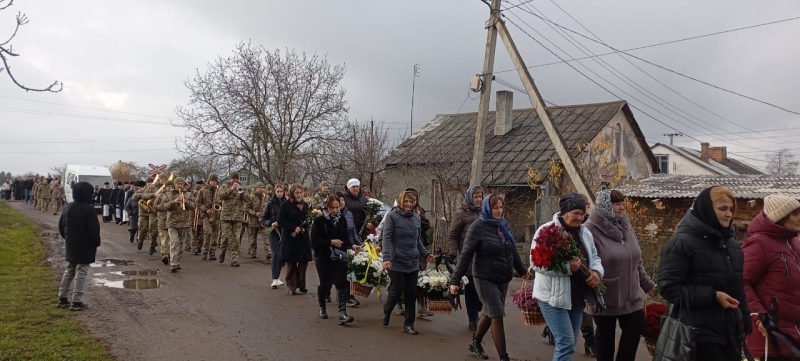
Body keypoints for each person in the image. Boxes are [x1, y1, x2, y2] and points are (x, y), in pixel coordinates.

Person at [657, 186, 751, 361]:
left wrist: (745, 323)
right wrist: (712, 295)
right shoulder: (682, 243)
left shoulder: (732, 245)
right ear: (706, 209)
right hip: (696, 338)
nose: (728, 214)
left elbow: (738, 289)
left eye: (731, 209)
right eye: (722, 209)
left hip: (729, 335)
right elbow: (668, 287)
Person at [450, 194, 531, 361]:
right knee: (497, 314)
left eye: (501, 207)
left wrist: (522, 270)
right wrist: (455, 281)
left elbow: (513, 250)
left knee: (489, 312)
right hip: (484, 277)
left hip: (503, 277)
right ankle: (504, 357)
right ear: (488, 208)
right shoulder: (477, 227)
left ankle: (476, 342)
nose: (499, 211)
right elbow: (465, 256)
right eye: (496, 208)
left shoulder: (503, 225)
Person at [531, 192, 604, 361]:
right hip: (552, 298)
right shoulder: (546, 231)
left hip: (577, 298)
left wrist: (596, 272)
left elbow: (595, 257)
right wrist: (567, 267)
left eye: (583, 213)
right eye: (576, 213)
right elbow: (536, 264)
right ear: (565, 212)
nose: (580, 217)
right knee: (566, 343)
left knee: (570, 343)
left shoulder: (585, 233)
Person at [585, 190, 655, 361]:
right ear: (605, 207)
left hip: (631, 295)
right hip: (606, 295)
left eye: (623, 203)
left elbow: (636, 259)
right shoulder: (590, 230)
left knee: (635, 330)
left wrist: (646, 283)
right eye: (617, 204)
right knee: (605, 340)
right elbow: (585, 262)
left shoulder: (625, 227)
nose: (622, 207)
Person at [743, 194, 800, 361]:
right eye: (795, 214)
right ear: (780, 217)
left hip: (793, 335)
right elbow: (740, 282)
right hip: (770, 335)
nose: (799, 218)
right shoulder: (759, 243)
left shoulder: (794, 242)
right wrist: (759, 313)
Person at [381, 189, 434, 335]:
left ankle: (409, 323)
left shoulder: (416, 218)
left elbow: (418, 241)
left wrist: (426, 253)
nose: (409, 204)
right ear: (400, 201)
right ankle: (387, 309)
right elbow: (386, 238)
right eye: (406, 201)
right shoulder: (392, 217)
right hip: (396, 260)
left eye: (411, 201)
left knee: (411, 292)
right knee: (397, 288)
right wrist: (386, 258)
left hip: (412, 261)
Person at [311, 194, 361, 324]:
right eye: (332, 207)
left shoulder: (342, 220)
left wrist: (352, 245)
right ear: (326, 207)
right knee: (325, 284)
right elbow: (315, 241)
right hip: (324, 257)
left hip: (340, 256)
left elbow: (345, 238)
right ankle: (322, 307)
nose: (334, 210)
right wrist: (331, 242)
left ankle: (342, 313)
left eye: (337, 207)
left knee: (341, 283)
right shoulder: (319, 221)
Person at [56, 181, 101, 311]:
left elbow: (61, 227)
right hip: (85, 245)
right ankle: (76, 301)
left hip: (71, 243)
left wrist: (68, 238)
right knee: (82, 272)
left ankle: (62, 297)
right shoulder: (89, 209)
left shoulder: (68, 207)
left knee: (69, 270)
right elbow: (94, 230)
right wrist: (96, 243)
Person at [447, 185, 484, 332]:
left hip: (483, 259)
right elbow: (452, 235)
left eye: (480, 196)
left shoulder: (485, 212)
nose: (479, 199)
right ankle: (473, 320)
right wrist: (452, 253)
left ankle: (478, 309)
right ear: (469, 197)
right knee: (472, 291)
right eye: (476, 197)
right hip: (468, 258)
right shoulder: (461, 214)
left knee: (482, 292)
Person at [278, 184, 312, 294]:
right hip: (290, 237)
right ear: (292, 193)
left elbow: (307, 218)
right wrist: (293, 227)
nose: (299, 195)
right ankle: (292, 286)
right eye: (297, 193)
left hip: (303, 237)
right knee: (291, 262)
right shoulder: (285, 205)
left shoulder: (305, 205)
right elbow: (281, 220)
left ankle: (302, 284)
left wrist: (308, 223)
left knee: (303, 261)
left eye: (300, 192)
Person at [336, 191, 363, 307]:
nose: (341, 202)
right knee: (338, 273)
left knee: (349, 272)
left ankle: (349, 297)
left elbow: (353, 232)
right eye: (338, 200)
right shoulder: (332, 216)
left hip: (350, 245)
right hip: (338, 246)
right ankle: (326, 293)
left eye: (342, 200)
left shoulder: (349, 214)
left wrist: (359, 243)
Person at [217, 173, 247, 267]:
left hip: (237, 216)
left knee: (236, 238)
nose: (235, 181)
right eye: (233, 179)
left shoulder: (241, 187)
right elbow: (221, 196)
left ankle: (234, 259)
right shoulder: (224, 186)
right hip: (226, 216)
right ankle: (222, 252)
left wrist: (241, 192)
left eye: (236, 179)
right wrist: (231, 189)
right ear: (230, 179)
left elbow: (247, 199)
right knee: (225, 236)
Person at [261, 184, 288, 288]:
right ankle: (274, 279)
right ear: (275, 192)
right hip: (273, 231)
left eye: (281, 191)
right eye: (278, 191)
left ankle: (278, 277)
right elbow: (263, 219)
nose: (280, 193)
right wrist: (271, 222)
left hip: (283, 231)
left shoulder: (287, 203)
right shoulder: (270, 204)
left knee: (281, 255)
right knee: (275, 253)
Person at [246, 183, 268, 258]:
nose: (262, 189)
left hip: (263, 219)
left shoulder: (265, 197)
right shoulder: (251, 197)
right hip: (253, 220)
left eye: (263, 187)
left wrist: (265, 207)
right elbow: (246, 208)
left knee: (265, 236)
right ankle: (253, 252)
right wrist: (255, 213)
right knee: (253, 237)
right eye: (260, 187)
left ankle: (268, 252)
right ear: (256, 188)